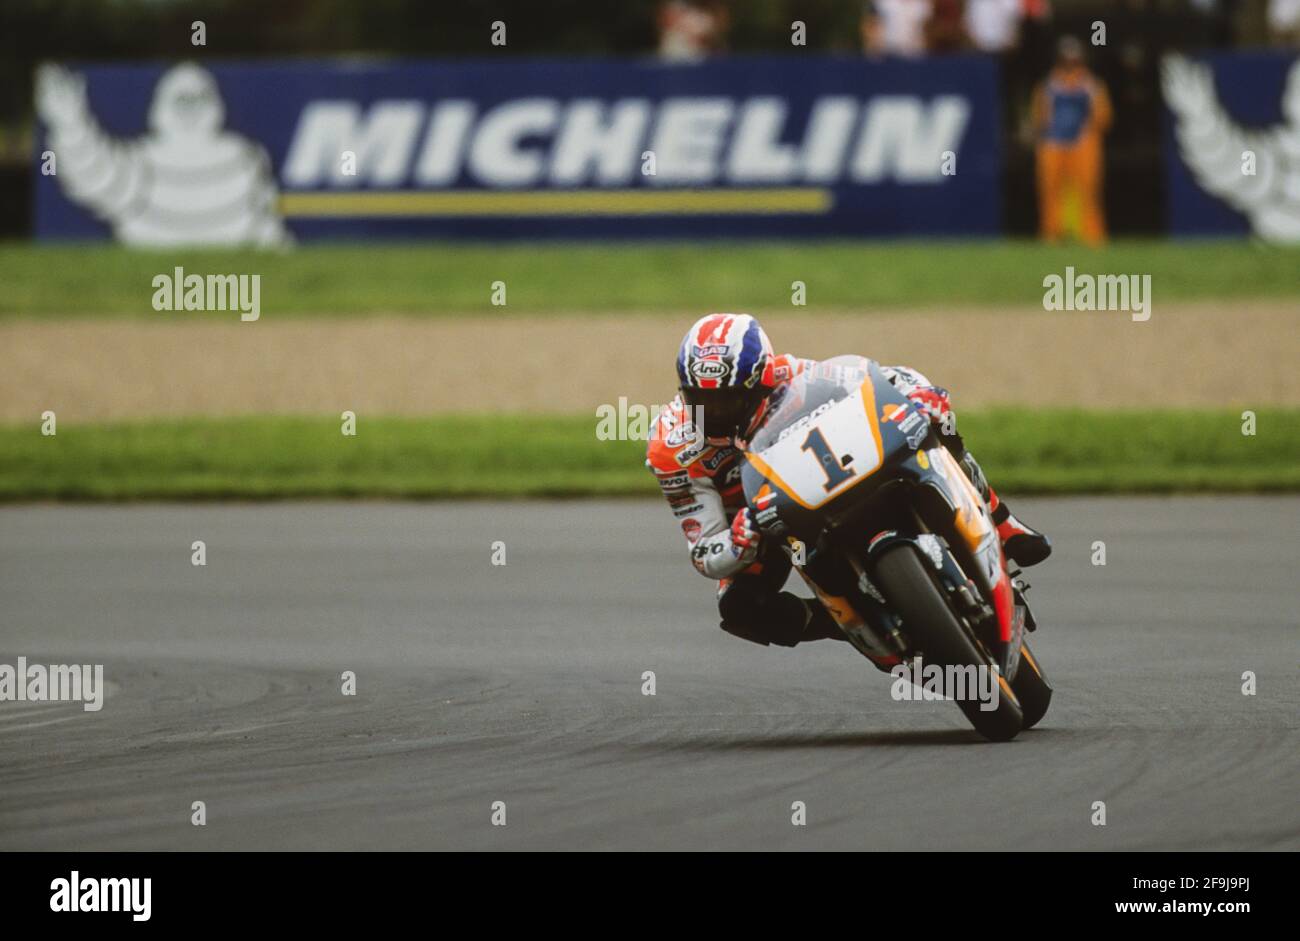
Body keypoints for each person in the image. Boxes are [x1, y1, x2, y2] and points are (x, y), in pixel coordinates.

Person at [645, 313, 1051, 650]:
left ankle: (1002, 522)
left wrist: (920, 394)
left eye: (729, 398)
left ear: (762, 379)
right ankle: (848, 623)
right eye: (702, 399)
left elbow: (881, 378)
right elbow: (703, 548)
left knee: (932, 427)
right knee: (740, 608)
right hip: (760, 524)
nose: (715, 412)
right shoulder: (670, 447)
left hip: (827, 475)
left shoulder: (791, 375)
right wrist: (737, 541)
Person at [1031, 36, 1113, 245]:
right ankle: (1051, 234)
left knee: (1087, 190)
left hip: (1082, 143)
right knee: (1050, 191)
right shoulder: (1049, 84)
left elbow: (1103, 116)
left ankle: (1092, 235)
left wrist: (1088, 130)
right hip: (1054, 143)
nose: (1070, 65)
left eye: (1074, 60)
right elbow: (1039, 115)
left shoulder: (1091, 84)